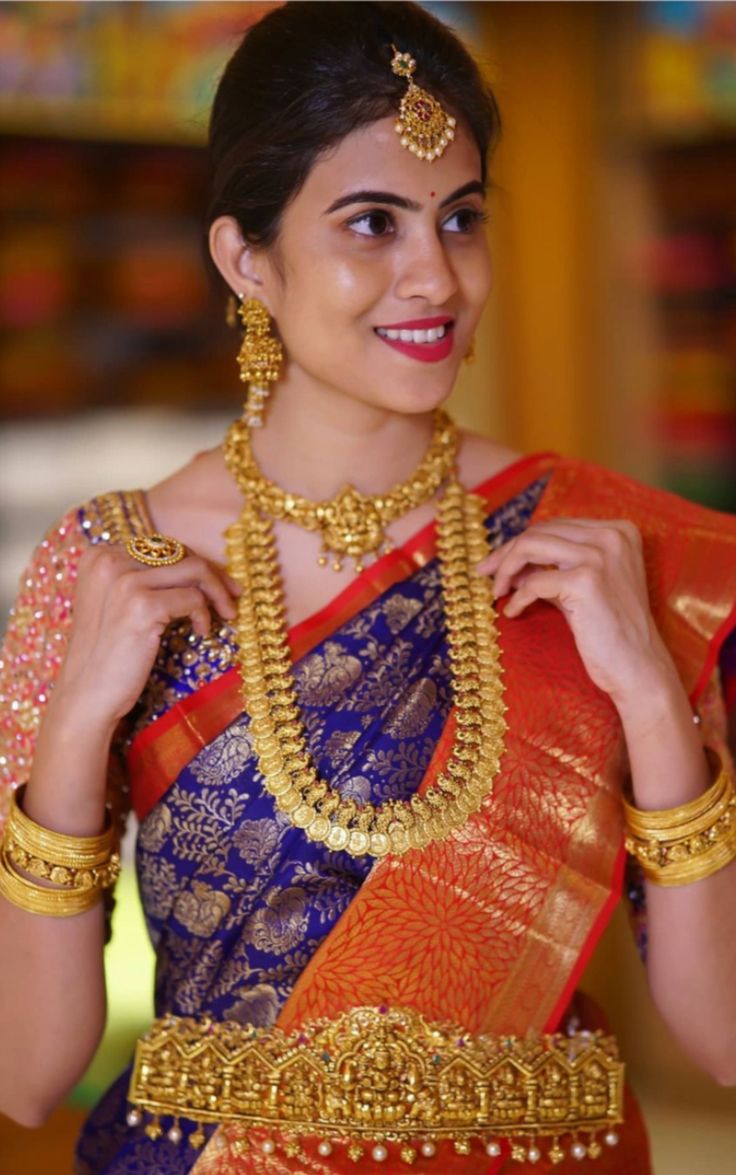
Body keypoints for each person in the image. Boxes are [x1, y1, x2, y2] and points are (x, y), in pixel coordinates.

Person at [0, 3, 735, 1172]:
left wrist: (652, 700)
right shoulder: (113, 567)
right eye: (371, 223)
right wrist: (77, 728)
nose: (434, 276)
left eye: (461, 218)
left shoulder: (601, 545)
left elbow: (722, 1036)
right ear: (247, 259)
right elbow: (29, 1071)